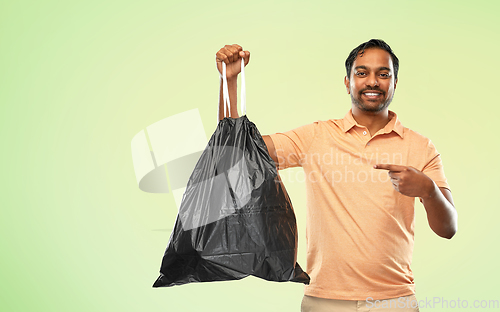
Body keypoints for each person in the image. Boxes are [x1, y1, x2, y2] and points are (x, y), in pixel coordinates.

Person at [215, 39, 457, 312]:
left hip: (394, 301)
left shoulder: (420, 147)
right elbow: (236, 151)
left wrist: (429, 191)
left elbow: (448, 229)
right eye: (362, 73)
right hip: (324, 301)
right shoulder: (317, 137)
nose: (373, 81)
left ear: (395, 83)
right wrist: (229, 82)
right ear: (347, 82)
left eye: (384, 74)